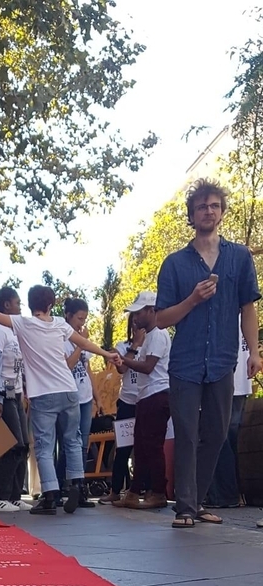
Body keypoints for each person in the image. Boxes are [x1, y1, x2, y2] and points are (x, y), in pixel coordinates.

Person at [0, 279, 119, 514]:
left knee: (45, 446)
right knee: (73, 439)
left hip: (44, 395)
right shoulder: (59, 324)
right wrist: (107, 353)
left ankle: (50, 495)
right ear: (51, 305)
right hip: (68, 391)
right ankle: (76, 482)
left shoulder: (23, 324)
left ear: (29, 305)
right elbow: (84, 342)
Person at [155, 178, 261, 529]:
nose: (208, 211)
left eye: (214, 205)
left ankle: (196, 500)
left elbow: (248, 306)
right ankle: (185, 507)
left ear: (221, 212)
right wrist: (193, 299)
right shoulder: (174, 264)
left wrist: (255, 352)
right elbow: (160, 319)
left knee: (216, 433)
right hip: (184, 363)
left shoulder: (239, 257)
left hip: (223, 360)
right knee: (186, 432)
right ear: (192, 214)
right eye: (202, 206)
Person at [114, 292, 171, 510]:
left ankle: (157, 491)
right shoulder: (150, 336)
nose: (135, 317)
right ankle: (134, 490)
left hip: (157, 394)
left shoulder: (158, 335)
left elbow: (148, 366)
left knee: (152, 445)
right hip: (146, 395)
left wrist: (126, 360)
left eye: (139, 312)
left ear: (151, 310)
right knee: (141, 445)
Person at [0, 286, 30, 511]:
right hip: (3, 392)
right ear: (6, 305)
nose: (21, 306)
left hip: (16, 393)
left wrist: (24, 391)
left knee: (24, 446)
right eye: (17, 302)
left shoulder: (13, 332)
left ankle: (14, 495)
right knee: (12, 445)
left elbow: (18, 367)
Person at [100, 315, 144, 505]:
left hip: (146, 399)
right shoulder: (122, 345)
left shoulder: (155, 342)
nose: (137, 325)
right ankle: (115, 489)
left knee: (145, 448)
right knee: (123, 448)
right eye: (133, 322)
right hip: (127, 401)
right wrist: (134, 346)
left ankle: (143, 489)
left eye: (139, 321)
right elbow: (121, 370)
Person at [60, 297, 100, 501]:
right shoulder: (62, 337)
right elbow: (67, 365)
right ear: (68, 316)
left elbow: (88, 368)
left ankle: (80, 486)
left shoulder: (82, 338)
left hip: (85, 396)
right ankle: (65, 485)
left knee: (83, 442)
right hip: (69, 395)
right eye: (79, 318)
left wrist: (97, 396)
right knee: (70, 441)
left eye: (84, 318)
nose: (82, 322)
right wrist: (80, 345)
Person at [206, 327, 250, 509]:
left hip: (224, 383)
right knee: (230, 441)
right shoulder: (246, 317)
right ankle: (236, 493)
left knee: (219, 438)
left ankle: (225, 495)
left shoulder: (225, 315)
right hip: (241, 384)